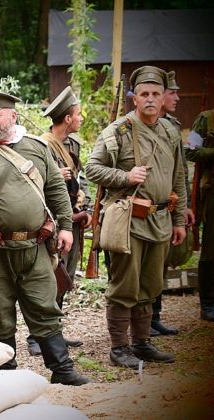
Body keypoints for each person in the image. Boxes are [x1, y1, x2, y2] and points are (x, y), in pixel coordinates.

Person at [0, 91, 90, 386]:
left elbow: (56, 188)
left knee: (45, 306)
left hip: (36, 246)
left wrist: (66, 226)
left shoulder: (37, 148)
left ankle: (62, 370)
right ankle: (5, 375)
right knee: (0, 314)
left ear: (13, 116)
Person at [85, 66, 187, 369]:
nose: (151, 99)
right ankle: (119, 348)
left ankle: (142, 343)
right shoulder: (119, 131)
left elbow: (178, 178)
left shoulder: (170, 131)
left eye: (156, 93)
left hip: (160, 219)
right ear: (135, 97)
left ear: (163, 96)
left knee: (150, 285)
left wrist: (179, 221)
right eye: (144, 94)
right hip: (128, 221)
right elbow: (92, 168)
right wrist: (126, 176)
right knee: (125, 286)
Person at [34, 85, 91, 352]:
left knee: (65, 276)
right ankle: (36, 337)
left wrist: (85, 206)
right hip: (52, 220)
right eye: (78, 114)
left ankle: (55, 332)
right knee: (48, 277)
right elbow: (29, 182)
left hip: (72, 218)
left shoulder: (73, 145)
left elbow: (82, 178)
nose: (81, 118)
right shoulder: (41, 145)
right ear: (67, 118)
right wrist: (54, 176)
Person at [151, 70, 195, 336]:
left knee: (163, 262)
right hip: (149, 206)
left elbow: (180, 171)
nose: (177, 98)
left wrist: (184, 206)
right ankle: (143, 320)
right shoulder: (141, 125)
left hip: (170, 204)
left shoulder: (172, 126)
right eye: (172, 93)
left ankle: (154, 315)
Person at [185, 108, 214, 322]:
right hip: (212, 192)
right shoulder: (207, 119)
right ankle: (208, 303)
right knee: (211, 248)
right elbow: (190, 151)